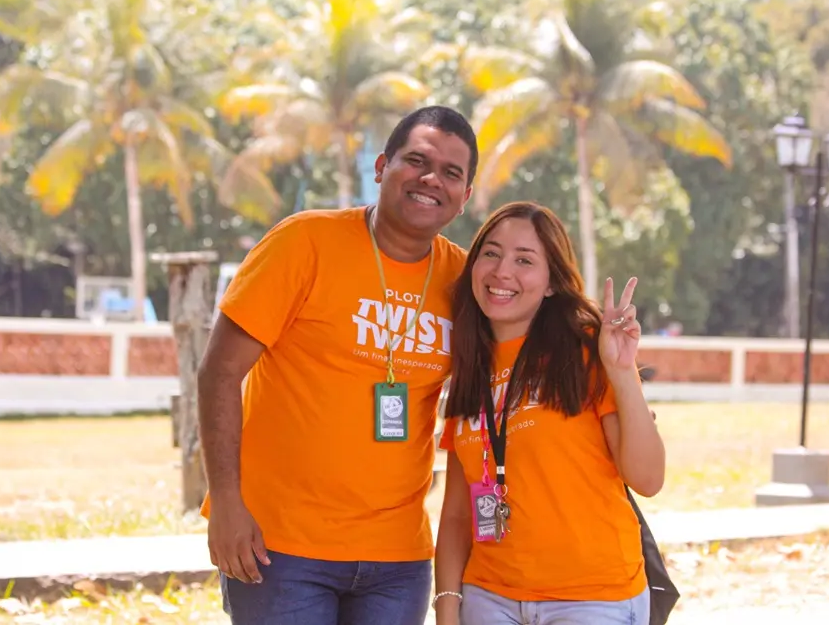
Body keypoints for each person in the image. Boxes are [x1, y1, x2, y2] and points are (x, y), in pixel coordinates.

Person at [196, 105, 476, 625]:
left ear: (464, 198)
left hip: (399, 558)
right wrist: (227, 502)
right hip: (279, 546)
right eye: (416, 160)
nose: (431, 179)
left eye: (451, 173)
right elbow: (219, 372)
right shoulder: (304, 243)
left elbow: (524, 357)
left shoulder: (465, 281)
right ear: (381, 166)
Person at [433, 200, 666, 625]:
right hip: (489, 597)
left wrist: (622, 372)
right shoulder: (468, 365)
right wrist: (448, 604)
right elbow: (455, 514)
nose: (503, 271)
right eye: (491, 253)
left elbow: (648, 479)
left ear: (551, 282)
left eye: (525, 260)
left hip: (591, 598)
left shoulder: (586, 350)